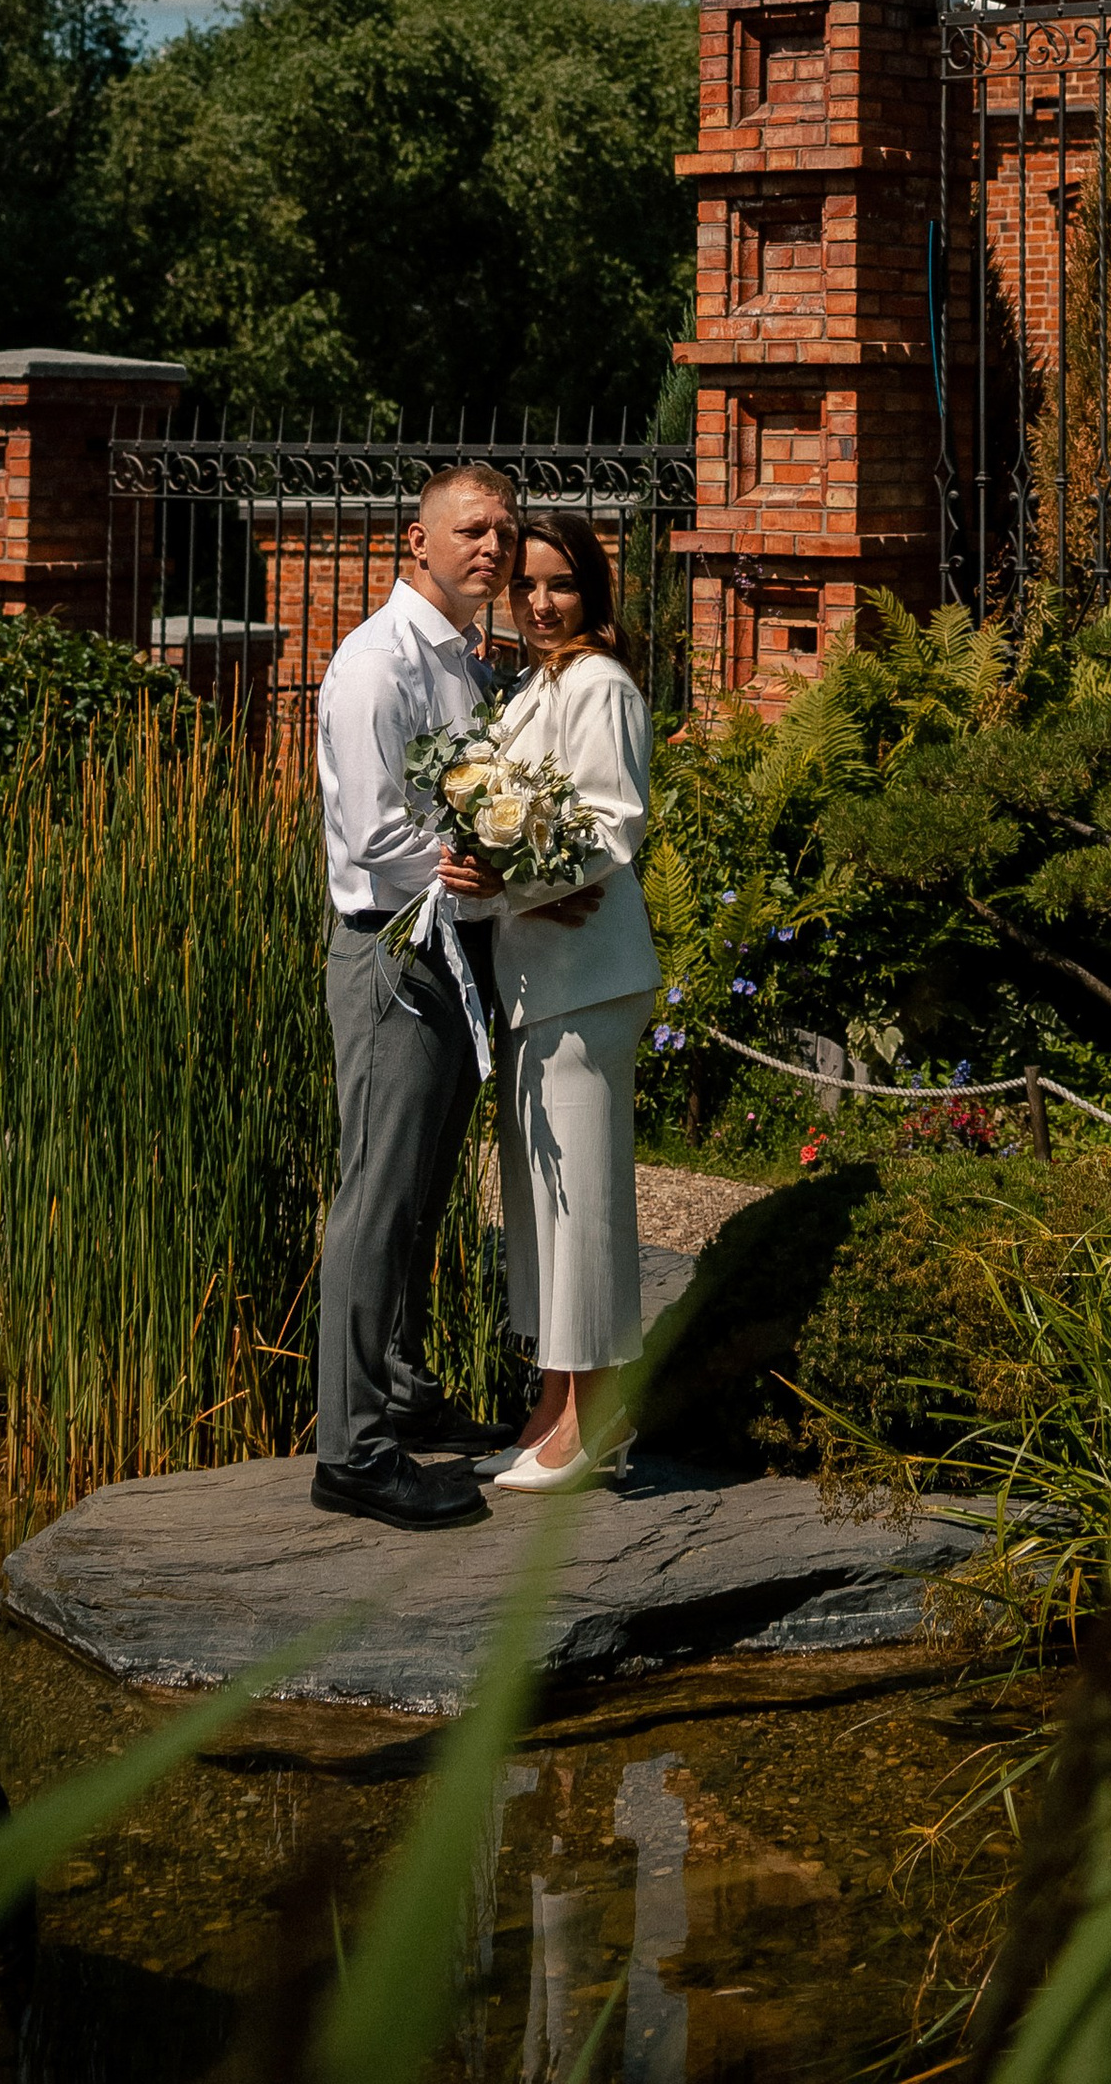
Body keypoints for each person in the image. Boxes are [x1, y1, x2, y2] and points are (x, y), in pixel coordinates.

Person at [309, 460, 523, 1529]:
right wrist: (477, 861)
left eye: (504, 531)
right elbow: (372, 833)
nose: (493, 546)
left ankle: (397, 1393)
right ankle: (350, 1449)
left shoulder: (469, 664)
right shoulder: (374, 665)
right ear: (417, 540)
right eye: (471, 529)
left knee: (423, 1194)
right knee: (377, 1198)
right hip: (392, 954)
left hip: (452, 955)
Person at [476, 512, 661, 1492]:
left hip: (588, 977)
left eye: (560, 585)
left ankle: (600, 1418)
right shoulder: (527, 688)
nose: (541, 603)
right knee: (541, 1201)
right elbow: (492, 810)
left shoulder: (600, 685)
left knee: (582, 1199)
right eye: (526, 586)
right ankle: (555, 1397)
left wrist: (509, 877)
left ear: (591, 592)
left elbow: (609, 822)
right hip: (532, 977)